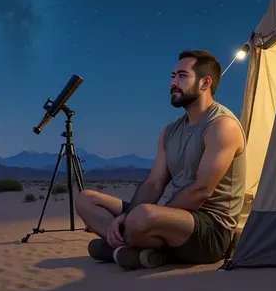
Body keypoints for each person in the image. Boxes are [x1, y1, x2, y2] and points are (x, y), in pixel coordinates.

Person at [75, 49, 247, 270]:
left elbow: (202, 190)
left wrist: (138, 217)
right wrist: (128, 215)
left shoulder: (222, 126)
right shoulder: (170, 131)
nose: (173, 82)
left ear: (205, 83)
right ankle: (132, 247)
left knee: (142, 217)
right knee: (85, 199)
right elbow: (154, 183)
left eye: (182, 76)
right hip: (172, 215)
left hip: (210, 229)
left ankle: (127, 245)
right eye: (173, 76)